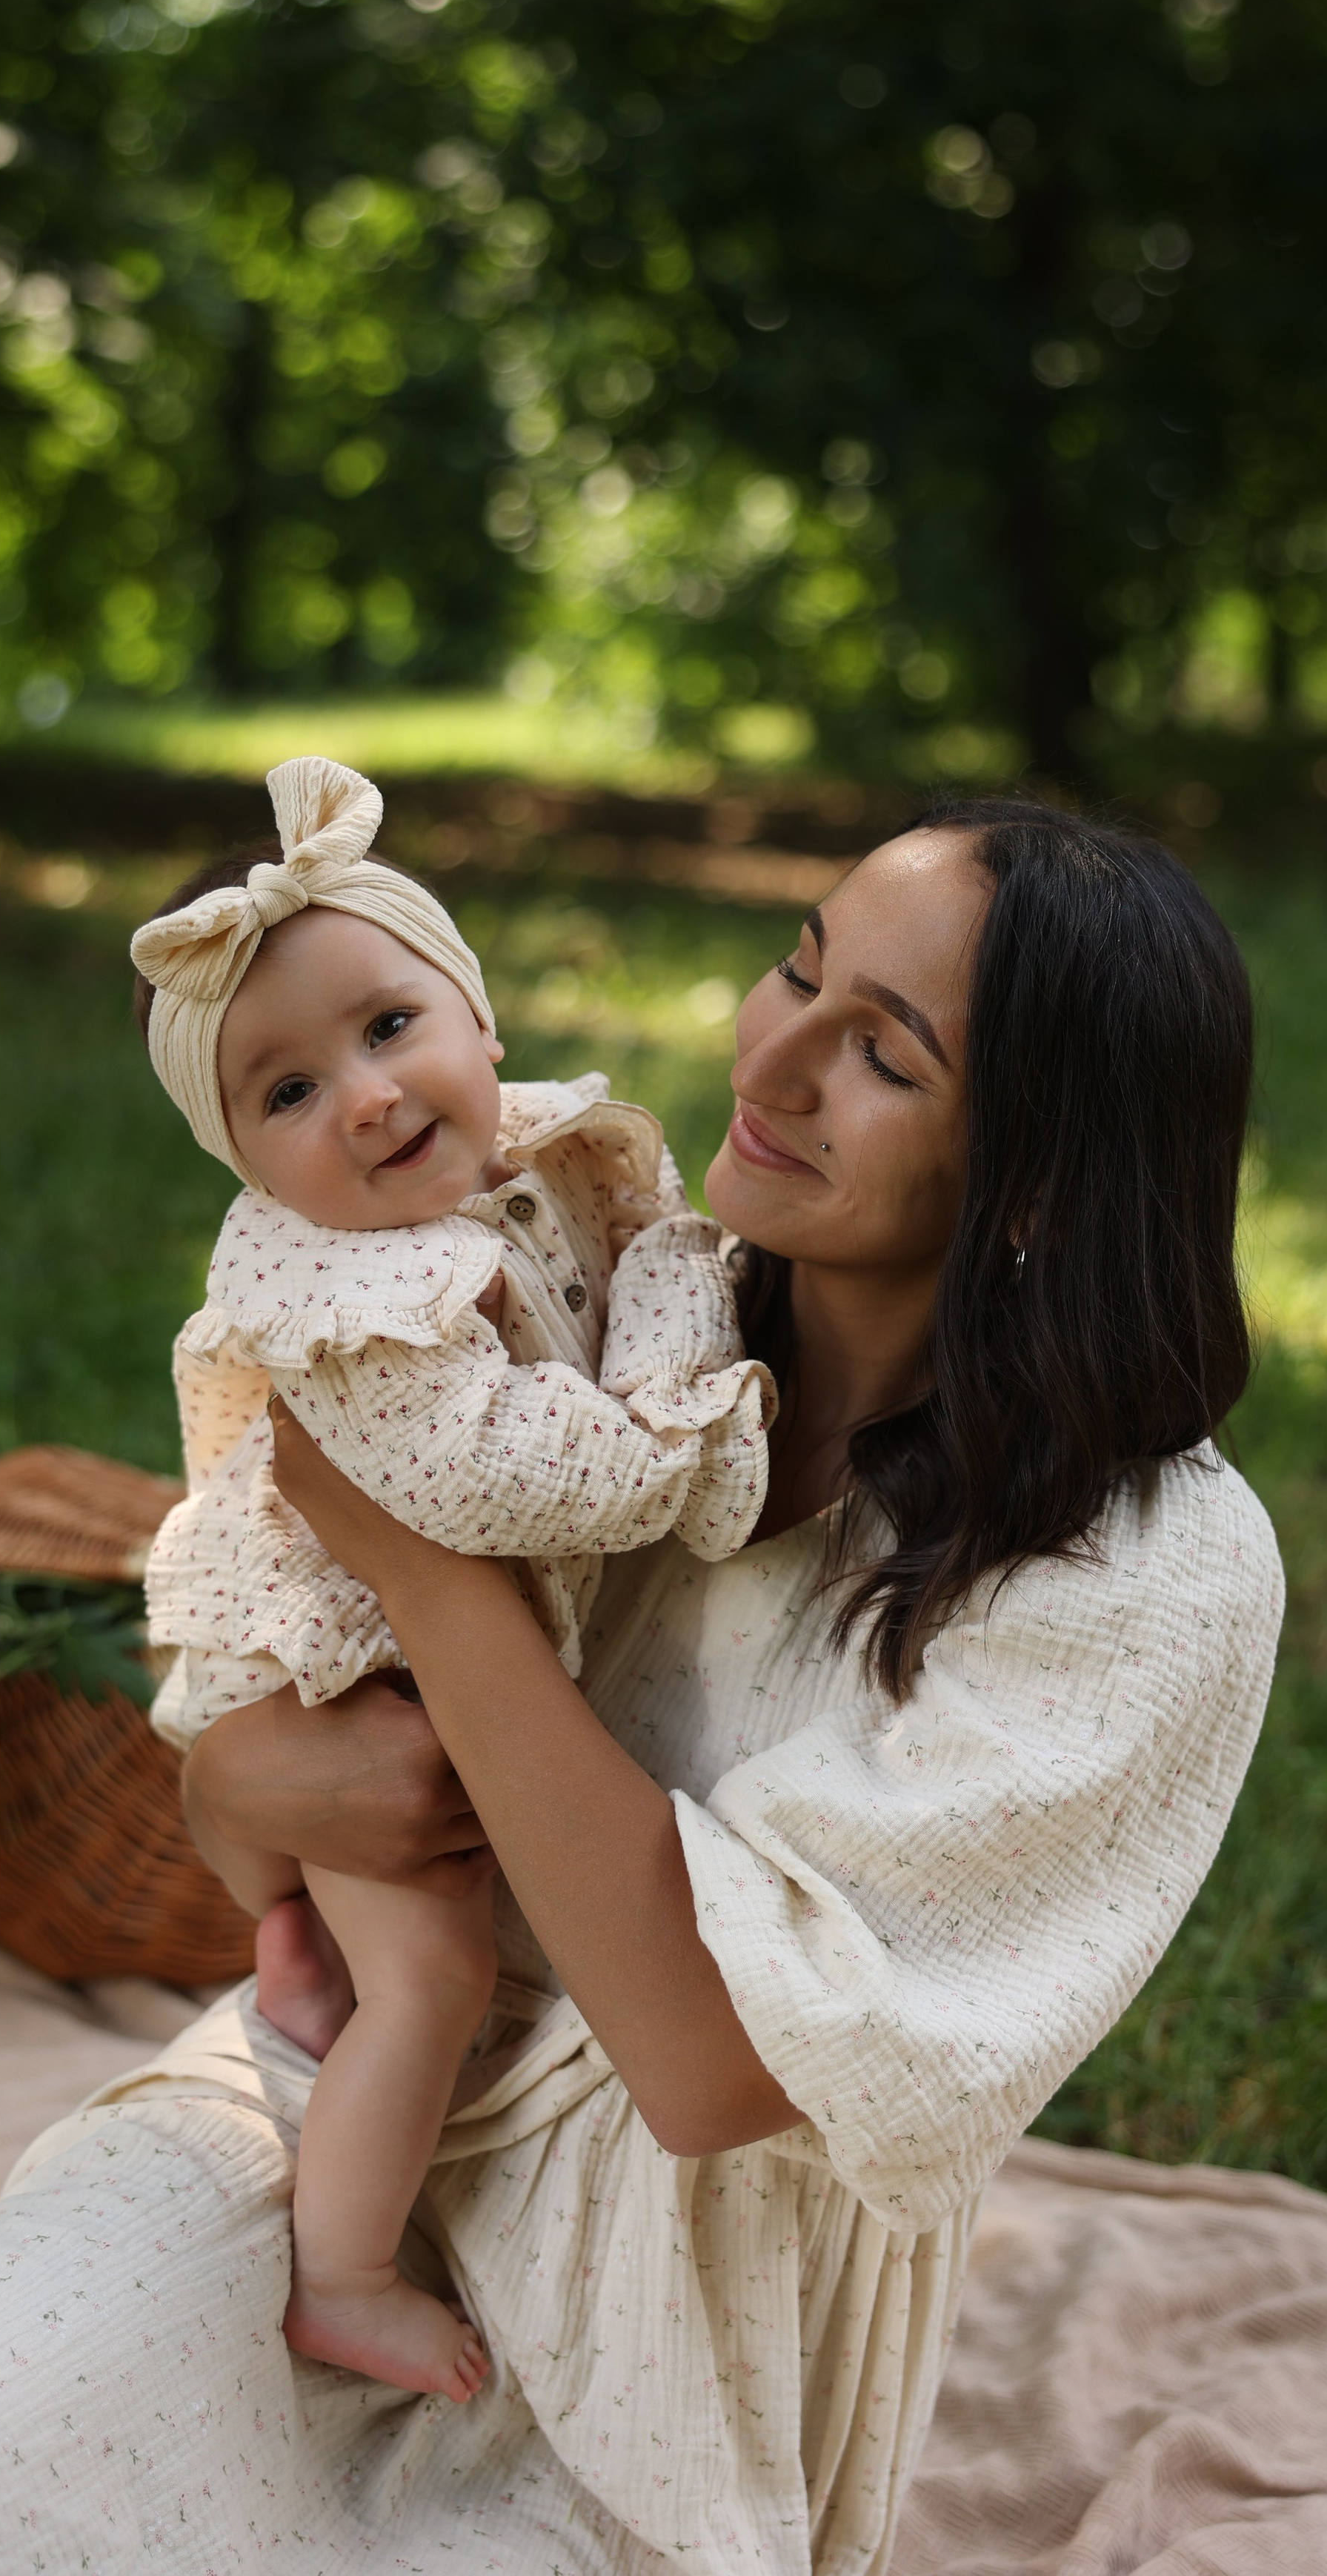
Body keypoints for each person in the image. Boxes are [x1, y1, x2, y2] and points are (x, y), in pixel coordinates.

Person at [0, 794, 1284, 2576]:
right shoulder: (610, 1292)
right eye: (794, 964)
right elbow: (265, 1774)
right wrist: (233, 1787)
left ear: (1031, 1179)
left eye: (877, 1051)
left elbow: (707, 2065)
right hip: (324, 2129)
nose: (768, 1059)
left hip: (670, 2336)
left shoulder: (1141, 1572)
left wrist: (418, 1560)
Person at [130, 753, 770, 2403]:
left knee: (407, 1931)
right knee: (438, 1976)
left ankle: (297, 1955)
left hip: (425, 1655)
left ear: (478, 1020)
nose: (358, 1094)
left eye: (387, 1026)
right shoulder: (358, 1311)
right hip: (343, 1671)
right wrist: (690, 1331)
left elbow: (626, 1243)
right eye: (281, 1094)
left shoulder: (534, 1158)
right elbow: (574, 1480)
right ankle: (338, 2273)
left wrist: (660, 1276)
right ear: (247, 1169)